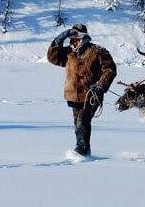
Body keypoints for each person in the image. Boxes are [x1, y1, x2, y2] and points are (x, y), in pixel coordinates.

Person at [47, 24, 116, 157]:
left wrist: (101, 85)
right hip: (73, 95)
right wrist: (59, 39)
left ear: (82, 38)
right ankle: (85, 150)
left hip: (92, 95)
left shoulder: (98, 51)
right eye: (71, 39)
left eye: (75, 38)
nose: (72, 41)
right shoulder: (69, 53)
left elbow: (110, 69)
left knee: (82, 120)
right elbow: (53, 58)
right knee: (78, 123)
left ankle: (81, 150)